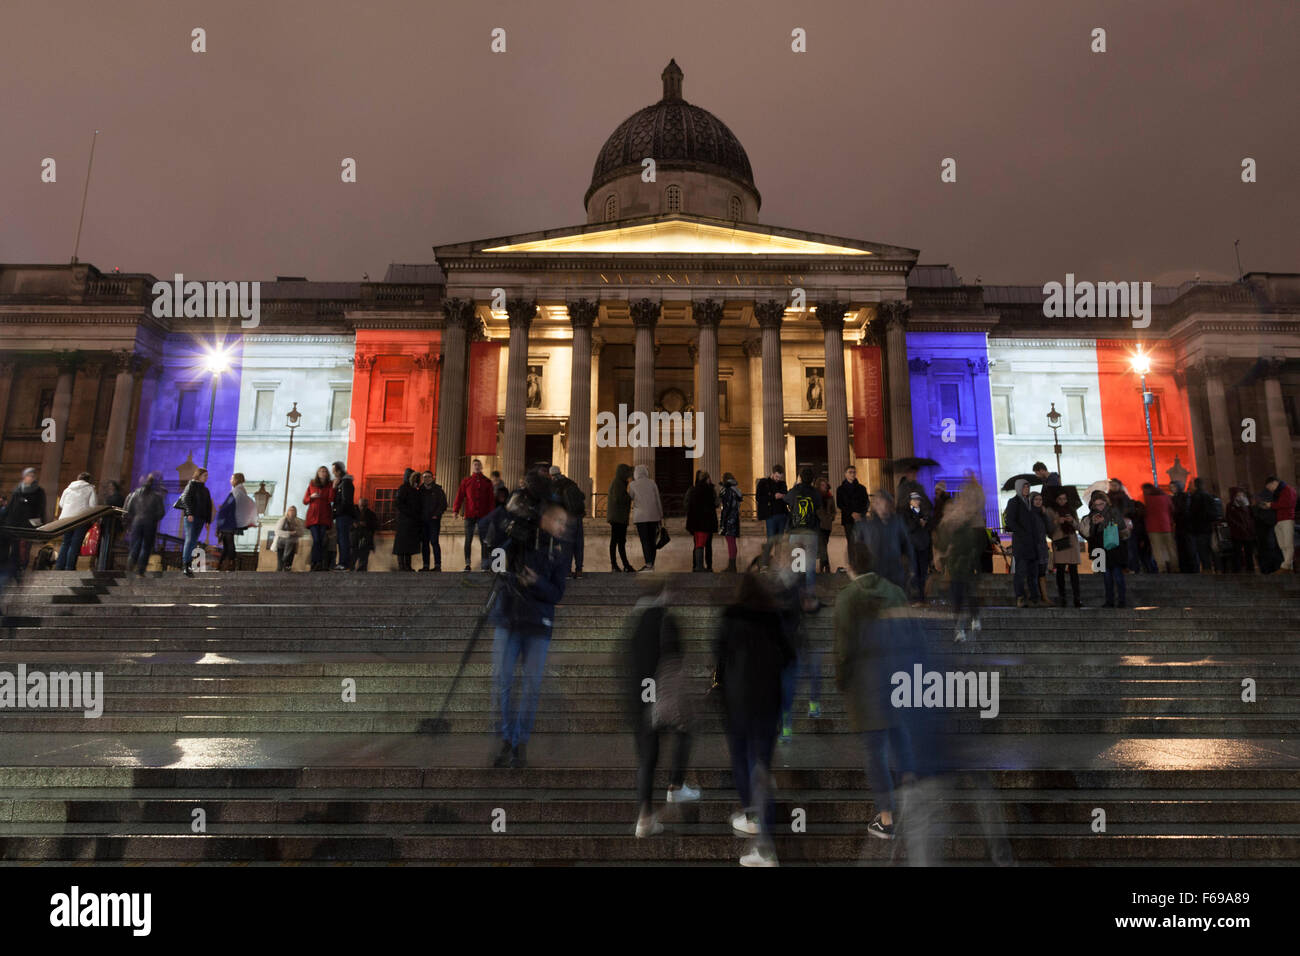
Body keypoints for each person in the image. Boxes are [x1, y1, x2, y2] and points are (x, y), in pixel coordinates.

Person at [713, 571, 795, 867]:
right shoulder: (773, 617)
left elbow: (719, 658)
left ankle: (753, 819)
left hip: (737, 702)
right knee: (761, 766)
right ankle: (764, 841)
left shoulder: (730, 617)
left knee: (740, 760)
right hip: (768, 702)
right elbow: (789, 656)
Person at [834, 540, 912, 840]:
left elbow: (843, 649)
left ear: (850, 566)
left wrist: (841, 680)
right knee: (901, 738)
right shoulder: (895, 591)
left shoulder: (847, 597)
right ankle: (912, 803)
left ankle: (887, 817)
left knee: (874, 751)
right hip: (899, 679)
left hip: (866, 684)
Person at [490, 497, 574, 770]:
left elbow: (557, 592)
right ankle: (505, 738)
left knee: (530, 688)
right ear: (545, 519)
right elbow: (492, 557)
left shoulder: (561, 551)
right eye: (559, 521)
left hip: (538, 625)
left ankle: (519, 743)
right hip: (509, 618)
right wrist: (508, 512)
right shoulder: (518, 537)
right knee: (504, 683)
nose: (562, 527)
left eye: (565, 523)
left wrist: (536, 581)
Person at [627, 583, 699, 838]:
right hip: (663, 696)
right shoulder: (664, 619)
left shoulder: (635, 625)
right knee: (685, 728)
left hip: (639, 701)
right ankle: (675, 785)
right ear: (662, 594)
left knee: (647, 759)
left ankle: (644, 818)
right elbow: (674, 654)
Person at [939, 488, 986, 642]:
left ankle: (974, 617)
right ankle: (959, 629)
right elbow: (941, 546)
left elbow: (973, 546)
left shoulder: (966, 528)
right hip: (954, 569)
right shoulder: (946, 528)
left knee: (969, 595)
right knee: (957, 600)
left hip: (966, 567)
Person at [852, 490, 913, 592]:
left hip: (895, 573)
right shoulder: (865, 525)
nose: (878, 504)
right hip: (874, 573)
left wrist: (911, 568)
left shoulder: (897, 522)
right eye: (876, 502)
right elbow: (857, 549)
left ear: (889, 503)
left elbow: (907, 546)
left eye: (881, 501)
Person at [1080, 489, 1130, 607]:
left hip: (1115, 547)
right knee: (1106, 576)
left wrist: (1105, 521)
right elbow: (1090, 535)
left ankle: (1122, 600)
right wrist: (1095, 524)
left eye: (1101, 504)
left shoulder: (1113, 512)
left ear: (1106, 502)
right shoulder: (1092, 515)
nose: (1099, 507)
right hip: (1100, 547)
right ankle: (1109, 600)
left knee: (1117, 575)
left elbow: (1121, 526)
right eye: (1096, 505)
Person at [1003, 479, 1039, 608]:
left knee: (1032, 572)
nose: (1027, 489)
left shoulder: (1030, 503)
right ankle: (1020, 596)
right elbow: (1010, 520)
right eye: (1024, 487)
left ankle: (1033, 597)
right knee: (1021, 571)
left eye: (1028, 487)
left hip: (1032, 544)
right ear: (1019, 488)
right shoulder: (1014, 502)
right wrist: (1022, 532)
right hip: (1022, 543)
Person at [453, 459, 494, 571]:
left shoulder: (487, 482)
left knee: (484, 541)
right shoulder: (466, 481)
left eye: (478, 465)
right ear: (472, 467)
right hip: (470, 514)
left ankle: (484, 565)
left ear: (481, 467)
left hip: (483, 515)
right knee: (468, 539)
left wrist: (491, 515)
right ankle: (467, 563)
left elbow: (491, 501)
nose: (476, 466)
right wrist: (456, 510)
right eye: (475, 465)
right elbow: (460, 496)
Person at [786, 466, 821, 593]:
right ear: (812, 479)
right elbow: (818, 504)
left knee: (796, 567)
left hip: (796, 532)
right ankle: (810, 595)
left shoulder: (794, 491)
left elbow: (786, 499)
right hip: (810, 532)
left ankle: (796, 595)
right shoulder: (815, 492)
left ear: (800, 478)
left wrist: (796, 484)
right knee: (810, 567)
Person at [3, 468, 46, 574]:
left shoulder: (39, 491)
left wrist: (41, 523)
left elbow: (40, 508)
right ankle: (14, 566)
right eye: (28, 475)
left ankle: (22, 565)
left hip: (28, 523)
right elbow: (10, 506)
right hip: (14, 523)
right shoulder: (18, 489)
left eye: (32, 476)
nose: (30, 478)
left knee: (25, 546)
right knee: (15, 546)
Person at [1044, 490, 1082, 607]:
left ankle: (1077, 598)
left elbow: (1078, 526)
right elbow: (1048, 529)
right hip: (1059, 541)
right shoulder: (1050, 511)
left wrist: (1072, 521)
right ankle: (1062, 597)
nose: (1062, 501)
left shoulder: (1071, 510)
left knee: (1073, 570)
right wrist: (1057, 522)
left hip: (1071, 541)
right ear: (1056, 500)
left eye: (1064, 499)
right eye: (1060, 499)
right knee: (1060, 570)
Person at [55, 472, 98, 570]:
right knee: (75, 543)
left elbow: (61, 504)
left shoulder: (68, 489)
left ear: (78, 479)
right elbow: (93, 506)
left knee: (65, 543)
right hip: (81, 519)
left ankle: (59, 566)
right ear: (88, 480)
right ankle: (69, 567)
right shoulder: (90, 489)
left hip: (66, 519)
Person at [124, 473, 165, 576]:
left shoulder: (134, 495)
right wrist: (153, 518)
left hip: (137, 522)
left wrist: (132, 520)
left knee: (135, 544)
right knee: (146, 546)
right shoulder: (156, 497)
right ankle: (140, 569)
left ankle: (131, 562)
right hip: (150, 523)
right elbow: (161, 512)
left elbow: (128, 509)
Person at [549, 465, 586, 578]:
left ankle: (568, 571)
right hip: (578, 517)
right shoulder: (570, 482)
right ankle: (579, 570)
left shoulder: (554, 486)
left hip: (565, 518)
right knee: (578, 544)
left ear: (551, 475)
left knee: (567, 546)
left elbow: (554, 503)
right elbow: (582, 496)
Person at [175, 467, 213, 578]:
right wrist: (190, 513)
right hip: (191, 517)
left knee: (194, 540)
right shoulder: (191, 485)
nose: (206, 477)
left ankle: (189, 563)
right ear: (199, 475)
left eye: (207, 475)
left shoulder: (205, 490)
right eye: (205, 475)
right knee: (190, 539)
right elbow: (185, 499)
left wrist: (207, 520)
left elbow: (208, 506)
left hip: (201, 518)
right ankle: (185, 564)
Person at [217, 472, 257, 572]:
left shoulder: (236, 491)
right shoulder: (240, 491)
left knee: (229, 543)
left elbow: (230, 505)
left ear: (236, 480)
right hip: (230, 521)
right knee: (227, 543)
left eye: (232, 478)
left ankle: (230, 563)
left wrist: (223, 509)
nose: (230, 480)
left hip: (228, 521)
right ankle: (222, 565)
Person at [628, 464, 663, 572]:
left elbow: (630, 497)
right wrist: (661, 516)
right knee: (652, 541)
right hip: (653, 516)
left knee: (645, 541)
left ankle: (648, 564)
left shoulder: (633, 484)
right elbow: (658, 500)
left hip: (640, 517)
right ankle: (652, 563)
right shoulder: (652, 483)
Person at [683, 469, 718, 573]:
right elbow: (716, 503)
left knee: (698, 544)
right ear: (707, 479)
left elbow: (687, 504)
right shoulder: (710, 490)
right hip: (707, 521)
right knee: (707, 545)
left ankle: (697, 565)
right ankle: (706, 566)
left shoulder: (693, 490)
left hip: (696, 521)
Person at [301, 466, 335, 572]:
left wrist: (333, 488)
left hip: (324, 515)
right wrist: (311, 497)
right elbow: (305, 500)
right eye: (321, 471)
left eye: (324, 471)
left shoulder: (329, 484)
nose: (323, 473)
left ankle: (317, 563)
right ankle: (316, 562)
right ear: (318, 473)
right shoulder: (312, 484)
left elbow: (331, 498)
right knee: (316, 540)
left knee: (321, 540)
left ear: (327, 473)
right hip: (313, 516)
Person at [902, 491, 932, 603]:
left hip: (923, 545)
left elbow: (929, 527)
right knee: (913, 572)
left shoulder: (924, 512)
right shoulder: (906, 514)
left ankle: (921, 596)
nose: (916, 501)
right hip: (913, 546)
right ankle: (913, 596)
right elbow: (908, 527)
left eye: (918, 499)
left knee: (922, 573)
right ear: (910, 501)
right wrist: (918, 522)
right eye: (914, 499)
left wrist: (925, 522)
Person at [606, 463, 635, 573]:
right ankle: (617, 564)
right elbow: (619, 499)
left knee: (619, 541)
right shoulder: (618, 483)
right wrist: (629, 497)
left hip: (619, 517)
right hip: (618, 517)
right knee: (617, 541)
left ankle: (624, 564)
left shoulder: (620, 483)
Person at [836, 465, 869, 558]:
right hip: (848, 519)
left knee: (862, 541)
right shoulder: (840, 489)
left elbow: (866, 503)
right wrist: (851, 513)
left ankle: (862, 562)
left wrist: (860, 513)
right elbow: (840, 504)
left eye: (854, 472)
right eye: (850, 472)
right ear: (845, 474)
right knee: (851, 542)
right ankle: (852, 563)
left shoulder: (862, 488)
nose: (852, 474)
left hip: (860, 518)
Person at [1142, 483, 1176, 573]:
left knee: (1157, 549)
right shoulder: (1165, 497)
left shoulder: (1147, 499)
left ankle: (1162, 568)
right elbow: (1172, 509)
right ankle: (1175, 567)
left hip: (1153, 527)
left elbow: (1145, 512)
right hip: (1166, 526)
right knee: (1170, 547)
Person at [393, 468, 422, 571]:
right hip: (404, 521)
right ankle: (402, 566)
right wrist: (410, 513)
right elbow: (398, 503)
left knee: (408, 544)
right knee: (402, 545)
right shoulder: (403, 488)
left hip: (411, 521)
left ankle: (407, 565)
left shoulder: (413, 489)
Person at [1264, 475, 1296, 570]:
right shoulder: (1278, 492)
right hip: (1278, 520)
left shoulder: (1288, 489)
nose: (1270, 490)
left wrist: (1271, 505)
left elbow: (1288, 504)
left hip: (1287, 519)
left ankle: (1286, 566)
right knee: (1282, 545)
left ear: (1274, 483)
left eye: (1269, 487)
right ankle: (1289, 566)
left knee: (1288, 544)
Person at [330, 461, 357, 572]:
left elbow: (346, 501)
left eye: (334, 471)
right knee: (342, 539)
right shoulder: (344, 482)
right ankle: (343, 562)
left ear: (339, 471)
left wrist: (336, 512)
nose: (333, 474)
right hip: (343, 515)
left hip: (343, 515)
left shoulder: (345, 483)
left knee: (343, 539)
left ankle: (343, 563)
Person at [419, 470, 447, 572]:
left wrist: (436, 514)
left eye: (428, 476)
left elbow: (443, 504)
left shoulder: (438, 490)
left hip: (434, 520)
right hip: (423, 521)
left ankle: (437, 565)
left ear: (432, 478)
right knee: (425, 543)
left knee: (434, 542)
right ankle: (425, 565)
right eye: (425, 477)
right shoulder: (420, 491)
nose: (427, 478)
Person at [755, 464, 789, 550]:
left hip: (782, 515)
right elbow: (758, 498)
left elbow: (786, 495)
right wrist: (773, 497)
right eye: (777, 476)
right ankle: (766, 561)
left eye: (780, 477)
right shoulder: (763, 483)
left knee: (780, 541)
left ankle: (777, 561)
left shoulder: (783, 483)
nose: (778, 479)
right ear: (773, 473)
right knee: (770, 540)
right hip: (770, 515)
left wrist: (783, 496)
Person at [1187, 477, 1216, 573]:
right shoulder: (1209, 496)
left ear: (1195, 485)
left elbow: (1193, 513)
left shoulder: (1195, 497)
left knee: (1202, 551)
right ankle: (1217, 568)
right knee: (1211, 549)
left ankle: (1206, 568)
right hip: (1208, 527)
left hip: (1199, 528)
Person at [1225, 487, 1256, 573]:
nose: (1240, 496)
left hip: (1248, 532)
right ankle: (1238, 570)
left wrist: (1250, 527)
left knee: (1249, 553)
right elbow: (1230, 519)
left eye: (1242, 494)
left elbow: (1251, 516)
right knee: (1237, 553)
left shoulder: (1247, 504)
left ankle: (1250, 569)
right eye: (1238, 494)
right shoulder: (1230, 506)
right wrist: (1240, 526)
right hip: (1237, 533)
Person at [97, 480, 126, 571]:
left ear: (114, 487)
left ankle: (104, 564)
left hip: (110, 524)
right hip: (110, 524)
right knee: (108, 544)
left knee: (107, 544)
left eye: (110, 486)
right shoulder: (116, 497)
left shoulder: (116, 498)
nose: (109, 488)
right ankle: (104, 564)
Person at [718, 472, 743, 572]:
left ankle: (732, 566)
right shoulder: (736, 490)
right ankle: (732, 566)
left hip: (729, 519)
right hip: (735, 518)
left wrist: (723, 521)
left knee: (730, 542)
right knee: (732, 542)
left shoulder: (728, 490)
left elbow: (727, 507)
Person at [1030, 491, 1051, 604]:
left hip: (1042, 546)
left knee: (1042, 572)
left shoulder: (1042, 514)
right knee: (1034, 572)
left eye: (1040, 500)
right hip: (1033, 547)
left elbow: (1049, 529)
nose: (1038, 502)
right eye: (1036, 499)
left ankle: (1044, 596)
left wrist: (1045, 514)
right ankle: (1035, 597)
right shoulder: (1029, 513)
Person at [273, 506, 304, 571]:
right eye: (290, 510)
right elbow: (277, 531)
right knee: (280, 564)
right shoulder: (283, 520)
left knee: (289, 563)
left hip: (292, 543)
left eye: (293, 510)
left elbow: (301, 532)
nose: (292, 512)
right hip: (281, 543)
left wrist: (296, 532)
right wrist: (289, 533)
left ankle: (287, 569)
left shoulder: (298, 521)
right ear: (287, 512)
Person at [815, 476, 835, 574]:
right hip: (818, 524)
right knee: (822, 545)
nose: (824, 487)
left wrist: (832, 516)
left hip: (827, 525)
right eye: (822, 485)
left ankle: (822, 565)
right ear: (818, 486)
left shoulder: (830, 496)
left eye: (825, 485)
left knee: (824, 545)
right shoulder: (815, 496)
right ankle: (826, 566)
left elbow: (833, 510)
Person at [352, 497, 379, 571]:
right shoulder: (353, 513)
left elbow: (375, 525)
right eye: (361, 506)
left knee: (363, 559)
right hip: (354, 539)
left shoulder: (371, 514)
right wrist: (354, 524)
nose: (363, 508)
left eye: (365, 506)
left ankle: (361, 572)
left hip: (366, 539)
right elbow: (348, 524)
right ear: (358, 504)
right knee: (352, 557)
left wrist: (366, 524)